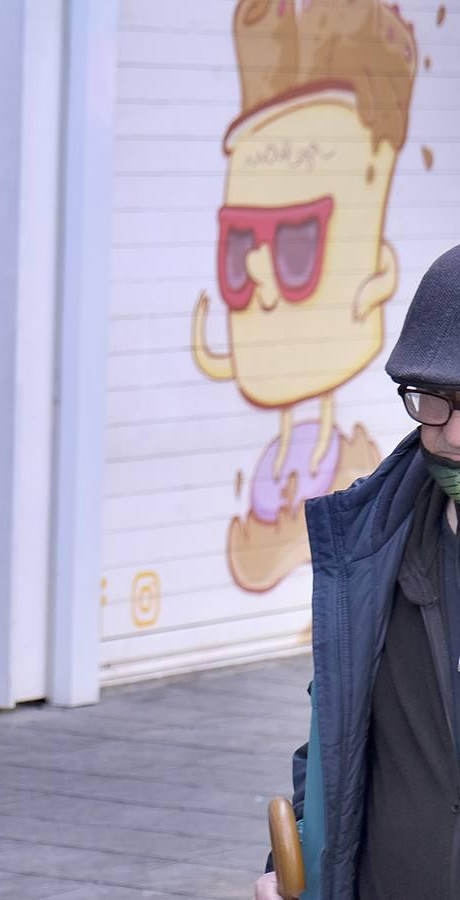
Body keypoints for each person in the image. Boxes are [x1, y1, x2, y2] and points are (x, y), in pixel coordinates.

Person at [255, 245, 460, 899]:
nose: (453, 433)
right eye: (435, 399)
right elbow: (335, 738)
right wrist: (288, 871)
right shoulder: (374, 546)